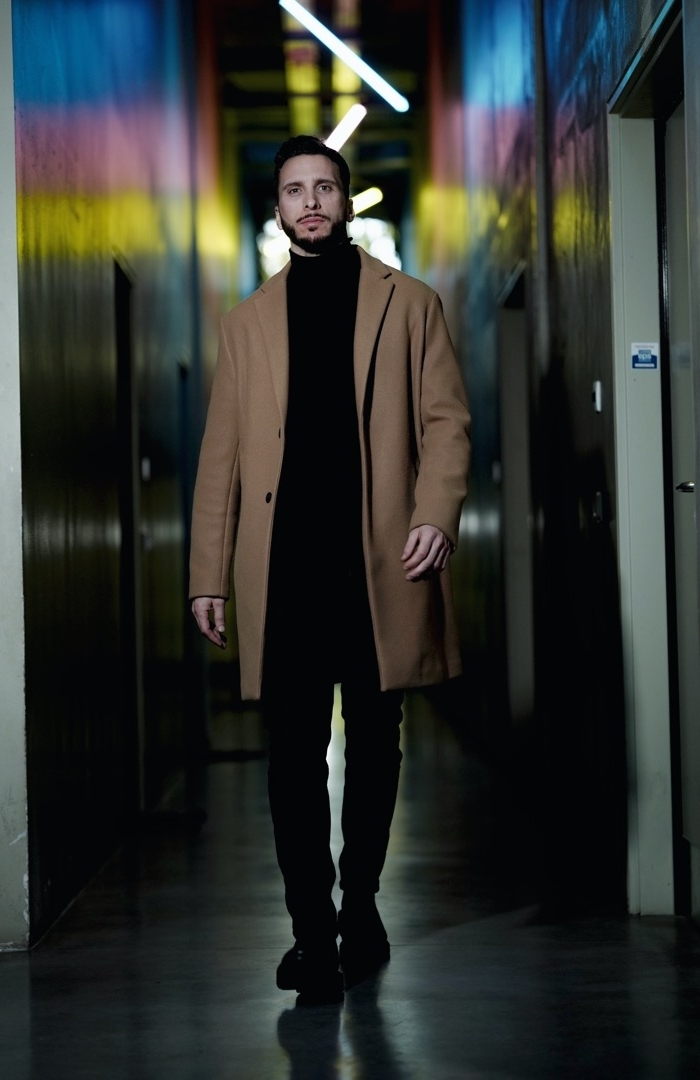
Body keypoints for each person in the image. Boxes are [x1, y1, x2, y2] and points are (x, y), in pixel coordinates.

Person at [189, 134, 471, 1005]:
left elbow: (447, 423)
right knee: (291, 755)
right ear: (277, 208)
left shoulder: (409, 303)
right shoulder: (245, 325)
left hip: (378, 565)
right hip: (284, 573)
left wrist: (435, 514)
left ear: (345, 202)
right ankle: (313, 933)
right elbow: (221, 458)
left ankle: (363, 904)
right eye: (293, 190)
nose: (310, 201)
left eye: (324, 187)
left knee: (377, 745)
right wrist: (208, 573)